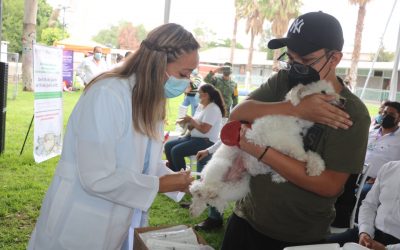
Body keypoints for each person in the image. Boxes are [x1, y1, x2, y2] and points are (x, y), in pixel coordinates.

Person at [27, 23, 198, 250]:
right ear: (158, 64)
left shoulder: (151, 100)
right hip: (80, 219)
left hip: (118, 219)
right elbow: (96, 176)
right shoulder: (108, 94)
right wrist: (159, 185)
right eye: (183, 73)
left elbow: (145, 164)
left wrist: (180, 180)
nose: (187, 81)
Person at [220, 11, 371, 250]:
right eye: (291, 59)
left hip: (298, 238)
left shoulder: (351, 112)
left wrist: (260, 151)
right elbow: (237, 114)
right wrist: (295, 109)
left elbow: (329, 185)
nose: (296, 67)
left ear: (335, 58)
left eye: (307, 60)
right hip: (246, 219)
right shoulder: (284, 82)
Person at [327, 161, 400, 250]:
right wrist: (365, 232)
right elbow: (369, 205)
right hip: (370, 233)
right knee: (319, 246)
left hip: (396, 243)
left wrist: (388, 249)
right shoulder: (389, 167)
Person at [164, 83, 225, 172]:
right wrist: (186, 122)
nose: (197, 95)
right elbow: (195, 124)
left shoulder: (213, 109)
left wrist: (191, 120)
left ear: (206, 95)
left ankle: (182, 178)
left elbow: (204, 129)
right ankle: (174, 173)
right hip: (193, 138)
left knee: (176, 151)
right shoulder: (201, 106)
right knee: (168, 146)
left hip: (206, 141)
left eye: (199, 93)